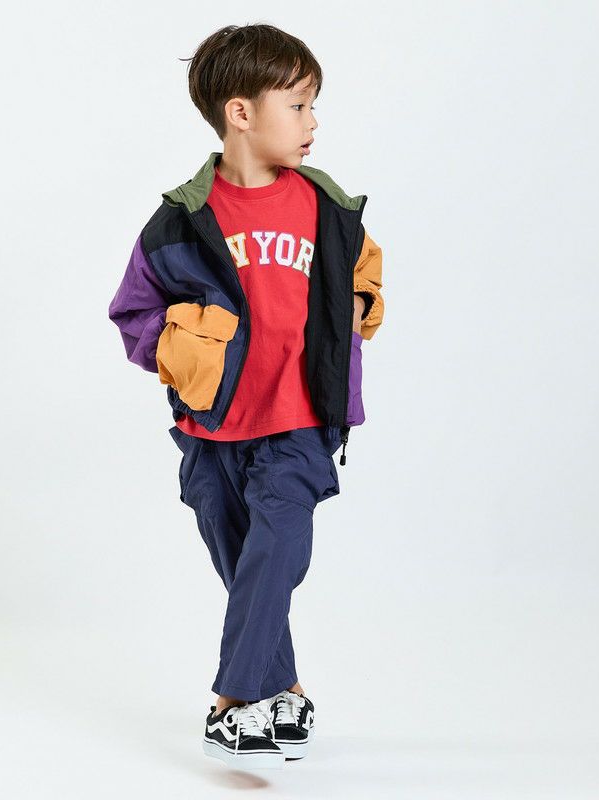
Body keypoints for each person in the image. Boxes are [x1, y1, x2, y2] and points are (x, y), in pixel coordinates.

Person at [108, 23, 384, 770]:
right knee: (246, 563)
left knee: (278, 547)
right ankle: (284, 688)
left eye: (313, 105)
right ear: (241, 113)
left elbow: (365, 276)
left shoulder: (328, 207)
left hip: (301, 421)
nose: (313, 121)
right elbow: (133, 313)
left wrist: (359, 307)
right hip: (213, 429)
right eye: (298, 105)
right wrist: (181, 346)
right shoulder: (180, 222)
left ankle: (232, 702)